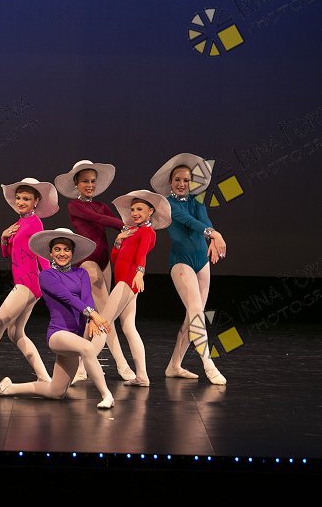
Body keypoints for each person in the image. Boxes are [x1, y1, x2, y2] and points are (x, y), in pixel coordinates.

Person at [0, 228, 115, 409]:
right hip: (58, 334)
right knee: (87, 348)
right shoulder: (46, 276)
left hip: (75, 336)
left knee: (56, 392)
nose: (62, 253)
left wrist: (91, 318)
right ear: (50, 253)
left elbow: (86, 297)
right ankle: (107, 395)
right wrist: (93, 314)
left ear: (72, 253)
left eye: (66, 249)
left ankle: (9, 388)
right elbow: (67, 297)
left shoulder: (81, 273)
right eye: (57, 249)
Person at [54, 160, 135, 382]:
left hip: (104, 262)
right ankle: (121, 364)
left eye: (92, 181)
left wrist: (133, 231)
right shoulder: (74, 206)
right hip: (88, 263)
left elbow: (109, 219)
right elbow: (99, 219)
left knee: (100, 315)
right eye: (85, 181)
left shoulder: (100, 204)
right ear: (76, 184)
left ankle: (82, 367)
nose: (90, 185)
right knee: (106, 314)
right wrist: (125, 226)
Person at [149, 153, 227, 385]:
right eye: (177, 180)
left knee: (193, 316)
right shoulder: (168, 204)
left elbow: (204, 219)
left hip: (201, 261)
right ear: (170, 182)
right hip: (181, 262)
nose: (182, 184)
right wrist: (214, 234)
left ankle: (174, 365)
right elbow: (189, 222)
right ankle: (208, 364)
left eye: (186, 180)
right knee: (195, 311)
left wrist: (212, 236)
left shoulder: (197, 201)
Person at [0, 178, 57, 382]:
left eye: (26, 199)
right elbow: (8, 253)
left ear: (36, 201)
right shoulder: (20, 223)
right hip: (24, 283)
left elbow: (42, 254)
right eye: (18, 198)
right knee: (16, 333)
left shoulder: (35, 223)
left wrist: (50, 282)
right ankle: (45, 378)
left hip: (28, 283)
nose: (20, 202)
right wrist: (3, 237)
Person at [87, 189, 172, 387]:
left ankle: (82, 368)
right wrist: (118, 242)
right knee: (129, 328)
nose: (134, 213)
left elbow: (141, 254)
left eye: (140, 209)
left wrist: (140, 273)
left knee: (103, 323)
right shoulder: (132, 231)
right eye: (133, 209)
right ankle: (142, 376)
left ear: (150, 211)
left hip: (128, 281)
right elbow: (116, 259)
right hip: (124, 281)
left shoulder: (147, 232)